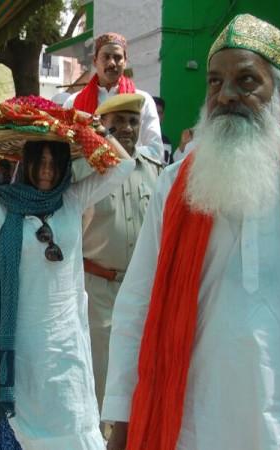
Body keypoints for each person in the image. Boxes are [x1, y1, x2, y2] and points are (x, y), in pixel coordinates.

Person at [103, 14, 280, 450]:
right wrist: (121, 418)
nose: (225, 95)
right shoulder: (176, 184)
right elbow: (137, 305)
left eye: (246, 81)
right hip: (192, 423)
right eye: (214, 81)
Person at [0, 126, 135, 449]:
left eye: (55, 162)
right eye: (39, 161)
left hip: (68, 346)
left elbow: (124, 167)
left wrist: (97, 130)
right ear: (24, 163)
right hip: (21, 347)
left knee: (77, 426)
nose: (46, 170)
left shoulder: (71, 199)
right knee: (27, 435)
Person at [71, 93, 161, 432]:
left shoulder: (157, 173)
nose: (126, 128)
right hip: (97, 291)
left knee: (141, 374)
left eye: (133, 121)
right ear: (102, 126)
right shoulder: (84, 170)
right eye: (117, 122)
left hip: (144, 293)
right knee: (101, 378)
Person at [63, 32, 163, 160]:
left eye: (117, 57)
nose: (112, 63)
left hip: (129, 175)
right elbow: (64, 147)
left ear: (125, 62)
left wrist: (119, 154)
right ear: (95, 61)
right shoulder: (73, 102)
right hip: (87, 178)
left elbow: (155, 150)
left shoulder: (143, 100)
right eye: (106, 57)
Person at [152, 96, 172, 163]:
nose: (157, 116)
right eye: (154, 112)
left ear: (163, 116)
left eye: (159, 113)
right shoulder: (138, 139)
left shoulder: (166, 141)